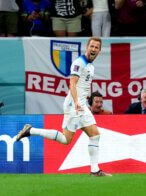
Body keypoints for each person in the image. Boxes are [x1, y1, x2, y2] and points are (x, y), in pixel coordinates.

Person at [17, 37, 111, 177]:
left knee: (95, 135)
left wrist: (83, 100)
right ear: (87, 47)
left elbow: (82, 86)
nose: (93, 49)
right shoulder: (79, 63)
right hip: (74, 105)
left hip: (81, 105)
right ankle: (31, 130)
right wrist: (77, 101)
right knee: (65, 140)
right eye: (91, 46)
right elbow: (72, 84)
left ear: (99, 50)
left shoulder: (90, 65)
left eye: (96, 47)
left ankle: (95, 170)